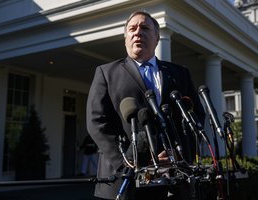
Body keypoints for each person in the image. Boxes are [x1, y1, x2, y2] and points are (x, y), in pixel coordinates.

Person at [87, 11, 205, 200]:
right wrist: (130, 161)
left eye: (145, 28)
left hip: (174, 178)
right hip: (125, 180)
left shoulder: (180, 74)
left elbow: (197, 116)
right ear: (125, 38)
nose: (137, 33)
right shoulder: (106, 73)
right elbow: (97, 123)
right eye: (132, 29)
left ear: (157, 37)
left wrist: (177, 155)